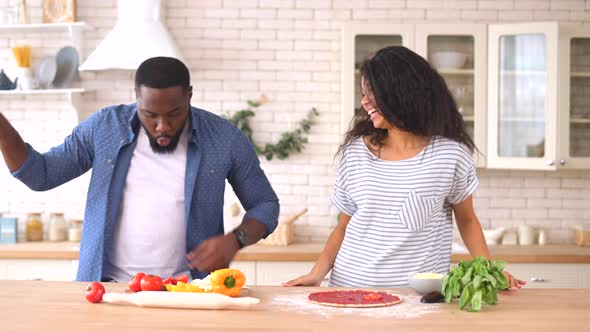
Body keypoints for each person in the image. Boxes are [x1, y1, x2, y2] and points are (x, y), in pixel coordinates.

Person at [0, 57, 279, 282]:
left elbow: (265, 204)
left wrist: (236, 240)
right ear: (136, 98)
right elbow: (40, 174)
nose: (162, 126)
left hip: (191, 293)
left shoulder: (223, 138)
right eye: (150, 114)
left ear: (190, 96)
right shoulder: (104, 127)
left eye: (173, 114)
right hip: (107, 291)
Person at [284, 46, 525, 290]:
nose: (364, 101)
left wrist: (490, 270)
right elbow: (344, 225)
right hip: (351, 288)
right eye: (363, 93)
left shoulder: (450, 154)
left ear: (401, 93)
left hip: (419, 294)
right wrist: (316, 274)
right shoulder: (355, 152)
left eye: (372, 93)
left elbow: (467, 220)